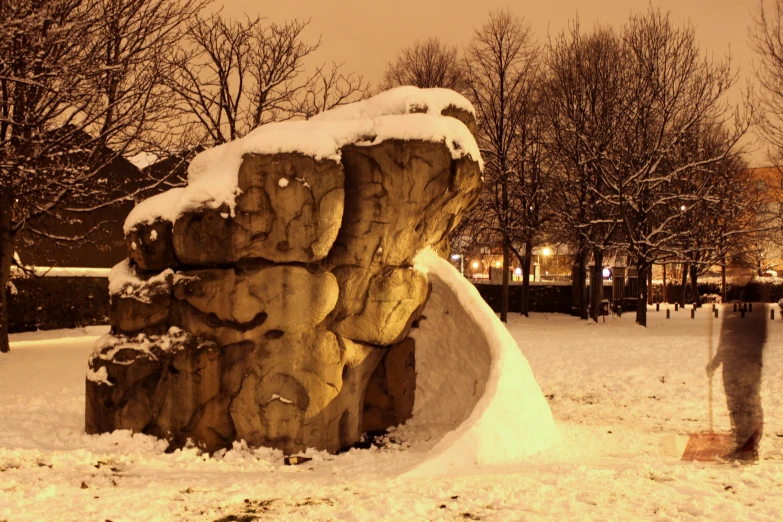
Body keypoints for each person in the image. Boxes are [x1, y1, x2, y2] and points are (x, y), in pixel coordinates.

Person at [706, 303, 766, 463]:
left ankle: (748, 448)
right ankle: (742, 445)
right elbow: (725, 342)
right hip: (734, 367)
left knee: (745, 407)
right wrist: (715, 363)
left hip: (744, 368)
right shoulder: (733, 312)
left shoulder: (750, 312)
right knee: (738, 407)